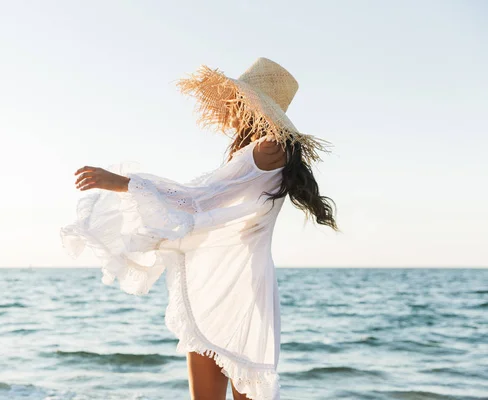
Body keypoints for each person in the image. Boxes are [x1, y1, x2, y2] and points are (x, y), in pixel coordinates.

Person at [60, 57, 339, 400]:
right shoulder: (263, 151)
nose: (229, 109)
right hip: (235, 279)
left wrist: (124, 183)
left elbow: (198, 201)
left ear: (251, 106)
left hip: (236, 284)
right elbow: (206, 205)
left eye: (236, 101)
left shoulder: (268, 148)